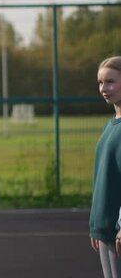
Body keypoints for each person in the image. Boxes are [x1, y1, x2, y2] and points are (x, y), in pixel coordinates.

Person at [90, 56, 121, 278]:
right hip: (104, 229)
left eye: (110, 81)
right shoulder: (109, 126)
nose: (104, 88)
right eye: (101, 83)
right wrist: (96, 224)